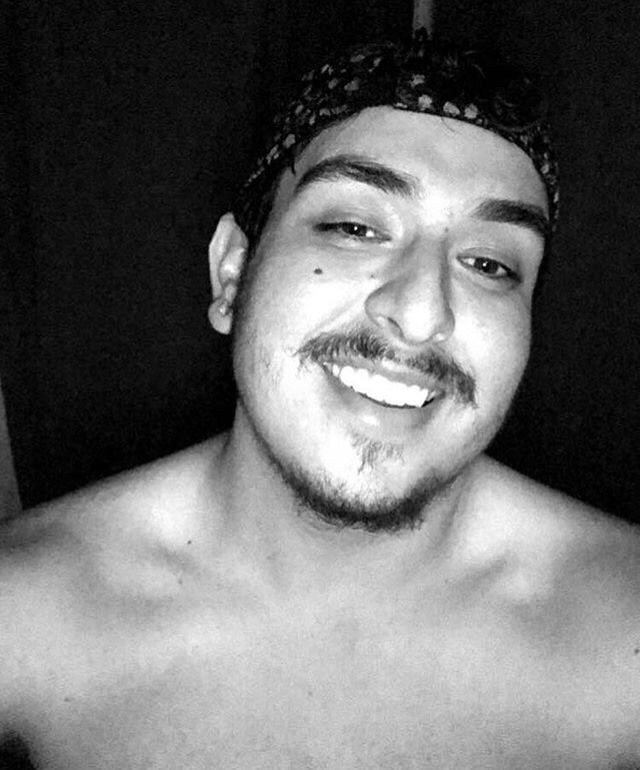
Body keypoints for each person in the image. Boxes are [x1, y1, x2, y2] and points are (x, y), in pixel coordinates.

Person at [1, 32, 639, 770]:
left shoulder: (623, 641)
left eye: (490, 263)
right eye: (354, 228)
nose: (422, 313)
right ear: (233, 275)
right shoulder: (25, 622)